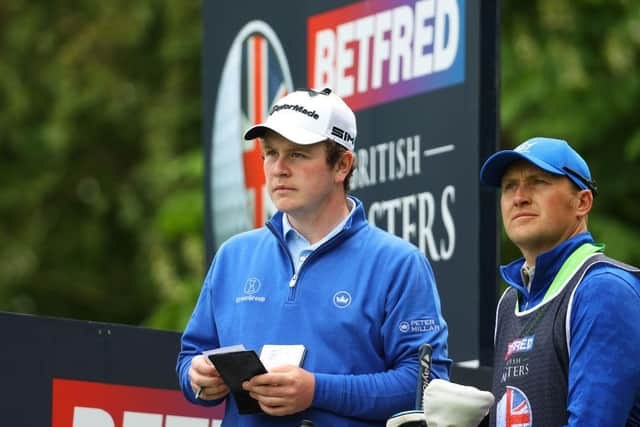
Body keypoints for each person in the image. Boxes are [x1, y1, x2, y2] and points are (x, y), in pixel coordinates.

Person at [176, 87, 451, 427]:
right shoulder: (234, 255)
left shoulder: (397, 263)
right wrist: (197, 377)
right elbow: (190, 358)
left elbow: (427, 388)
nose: (278, 168)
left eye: (297, 155)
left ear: (341, 166)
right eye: (270, 153)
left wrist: (317, 391)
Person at [477, 137, 640, 426]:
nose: (519, 197)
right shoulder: (510, 301)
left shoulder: (603, 289)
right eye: (509, 186)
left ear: (582, 202)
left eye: (537, 181)